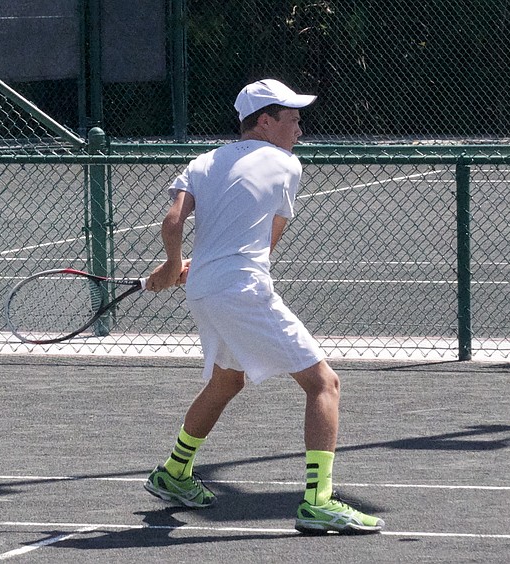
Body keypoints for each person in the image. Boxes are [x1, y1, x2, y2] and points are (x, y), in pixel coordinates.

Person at [142, 78, 384, 535]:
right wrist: (204, 267)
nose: (299, 129)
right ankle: (318, 503)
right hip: (241, 289)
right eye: (292, 119)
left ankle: (173, 472)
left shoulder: (202, 162)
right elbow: (267, 242)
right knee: (324, 384)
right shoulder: (285, 164)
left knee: (226, 381)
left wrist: (176, 265)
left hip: (206, 288)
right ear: (265, 122)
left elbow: (173, 221)